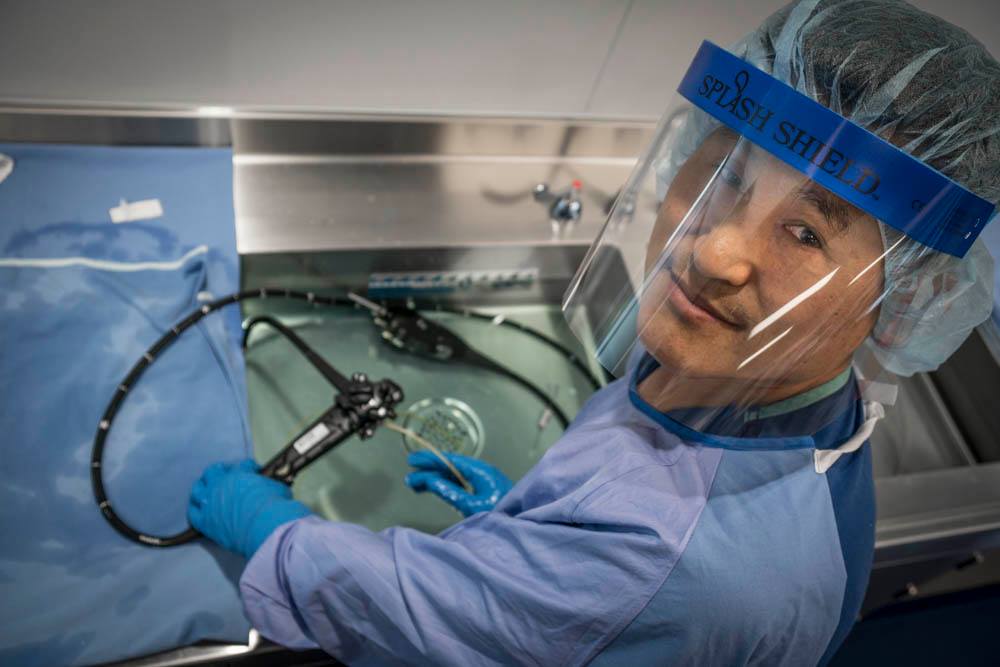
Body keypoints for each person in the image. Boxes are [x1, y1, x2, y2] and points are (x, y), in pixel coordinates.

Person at [187, 1, 1000, 664]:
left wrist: (277, 535)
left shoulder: (664, 565)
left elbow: (409, 614)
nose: (714, 251)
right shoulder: (785, 395)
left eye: (805, 233)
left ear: (906, 300)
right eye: (728, 173)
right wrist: (533, 520)